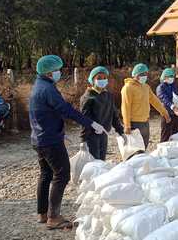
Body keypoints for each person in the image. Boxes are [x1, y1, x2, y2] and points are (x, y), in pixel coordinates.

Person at [29, 55, 105, 230]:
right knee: (62, 174)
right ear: (49, 72)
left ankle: (42, 213)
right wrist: (90, 123)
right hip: (49, 141)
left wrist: (57, 130)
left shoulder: (38, 86)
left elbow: (44, 113)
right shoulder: (48, 89)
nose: (59, 72)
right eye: (57, 70)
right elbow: (65, 110)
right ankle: (53, 217)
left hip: (39, 138)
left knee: (46, 174)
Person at [121, 63, 170, 148]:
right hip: (134, 124)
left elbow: (155, 101)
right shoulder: (128, 88)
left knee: (144, 146)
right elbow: (125, 107)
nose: (144, 76)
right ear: (135, 75)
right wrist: (127, 125)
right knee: (135, 149)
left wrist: (164, 113)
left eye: (145, 74)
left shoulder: (146, 87)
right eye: (142, 74)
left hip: (145, 122)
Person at [80, 66, 124, 160]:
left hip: (104, 134)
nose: (102, 80)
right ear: (92, 80)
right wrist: (83, 139)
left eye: (104, 78)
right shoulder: (88, 97)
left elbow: (114, 115)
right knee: (94, 163)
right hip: (91, 136)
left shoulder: (108, 95)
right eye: (99, 78)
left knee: (102, 161)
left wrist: (121, 132)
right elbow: (84, 120)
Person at [156, 68, 178, 142]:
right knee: (166, 134)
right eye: (169, 76)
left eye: (172, 76)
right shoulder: (160, 87)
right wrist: (172, 106)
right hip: (166, 113)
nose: (171, 78)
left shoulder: (174, 85)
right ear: (165, 77)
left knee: (176, 134)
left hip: (176, 113)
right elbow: (164, 98)